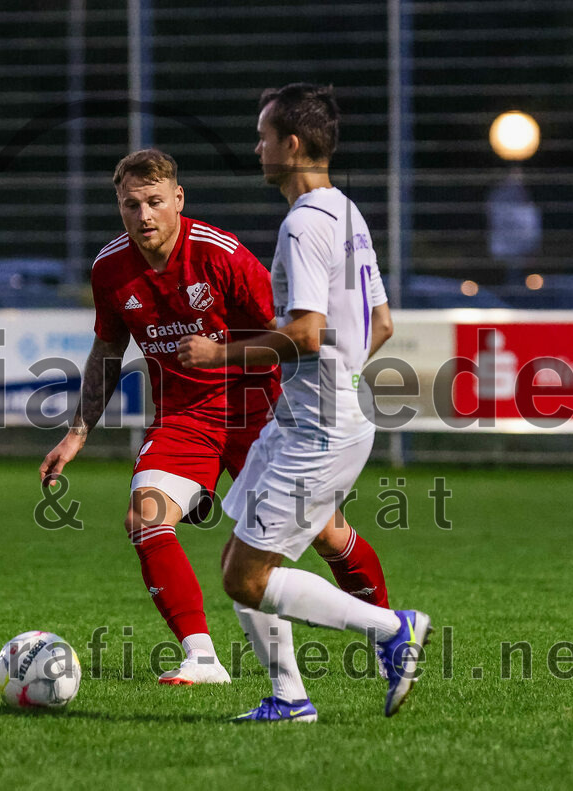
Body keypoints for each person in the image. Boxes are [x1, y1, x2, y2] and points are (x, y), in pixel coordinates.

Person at [40, 149, 390, 685]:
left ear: (178, 199)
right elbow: (107, 352)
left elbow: (287, 337)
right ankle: (202, 656)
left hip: (260, 413)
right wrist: (78, 431)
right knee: (144, 518)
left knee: (325, 533)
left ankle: (387, 632)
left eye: (155, 201)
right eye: (131, 205)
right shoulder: (110, 270)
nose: (144, 215)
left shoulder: (221, 255)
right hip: (185, 418)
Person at [178, 83, 431, 720]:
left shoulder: (301, 224)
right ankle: (288, 698)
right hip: (309, 418)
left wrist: (219, 356)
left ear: (291, 145)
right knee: (241, 556)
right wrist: (340, 381)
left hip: (316, 430)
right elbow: (382, 322)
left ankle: (391, 629)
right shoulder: (346, 210)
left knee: (247, 578)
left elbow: (306, 332)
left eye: (263, 136)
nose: (256, 147)